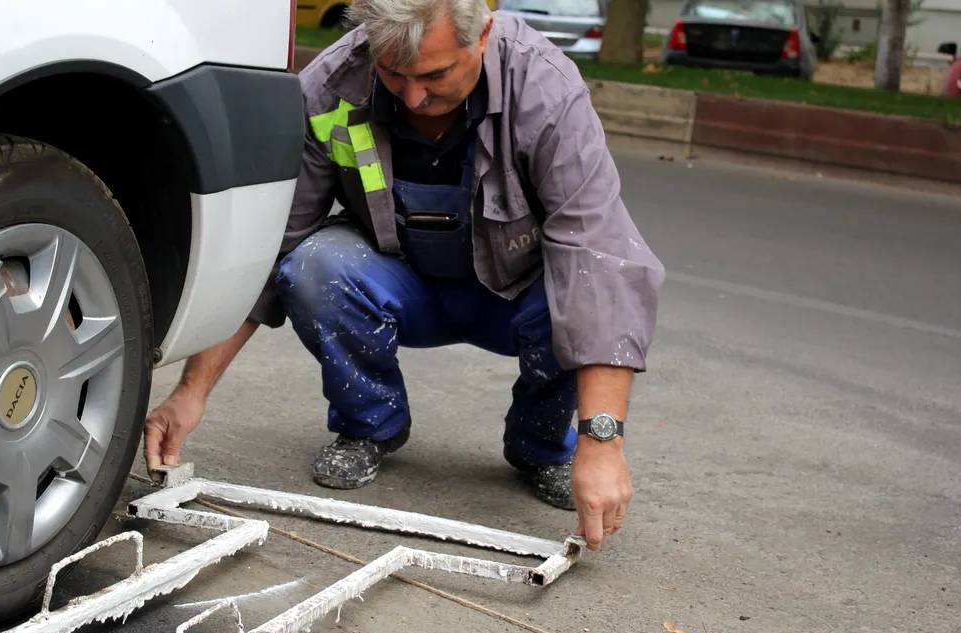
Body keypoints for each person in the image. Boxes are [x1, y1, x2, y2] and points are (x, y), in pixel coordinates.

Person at [143, 0, 665, 551]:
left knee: (576, 291)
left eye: (435, 74)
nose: (413, 98)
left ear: (482, 35)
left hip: (517, 294)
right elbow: (275, 245)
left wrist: (602, 442)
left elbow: (597, 258)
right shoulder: (332, 86)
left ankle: (541, 444)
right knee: (315, 267)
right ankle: (370, 424)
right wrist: (190, 392)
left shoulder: (546, 89)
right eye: (394, 73)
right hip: (399, 280)